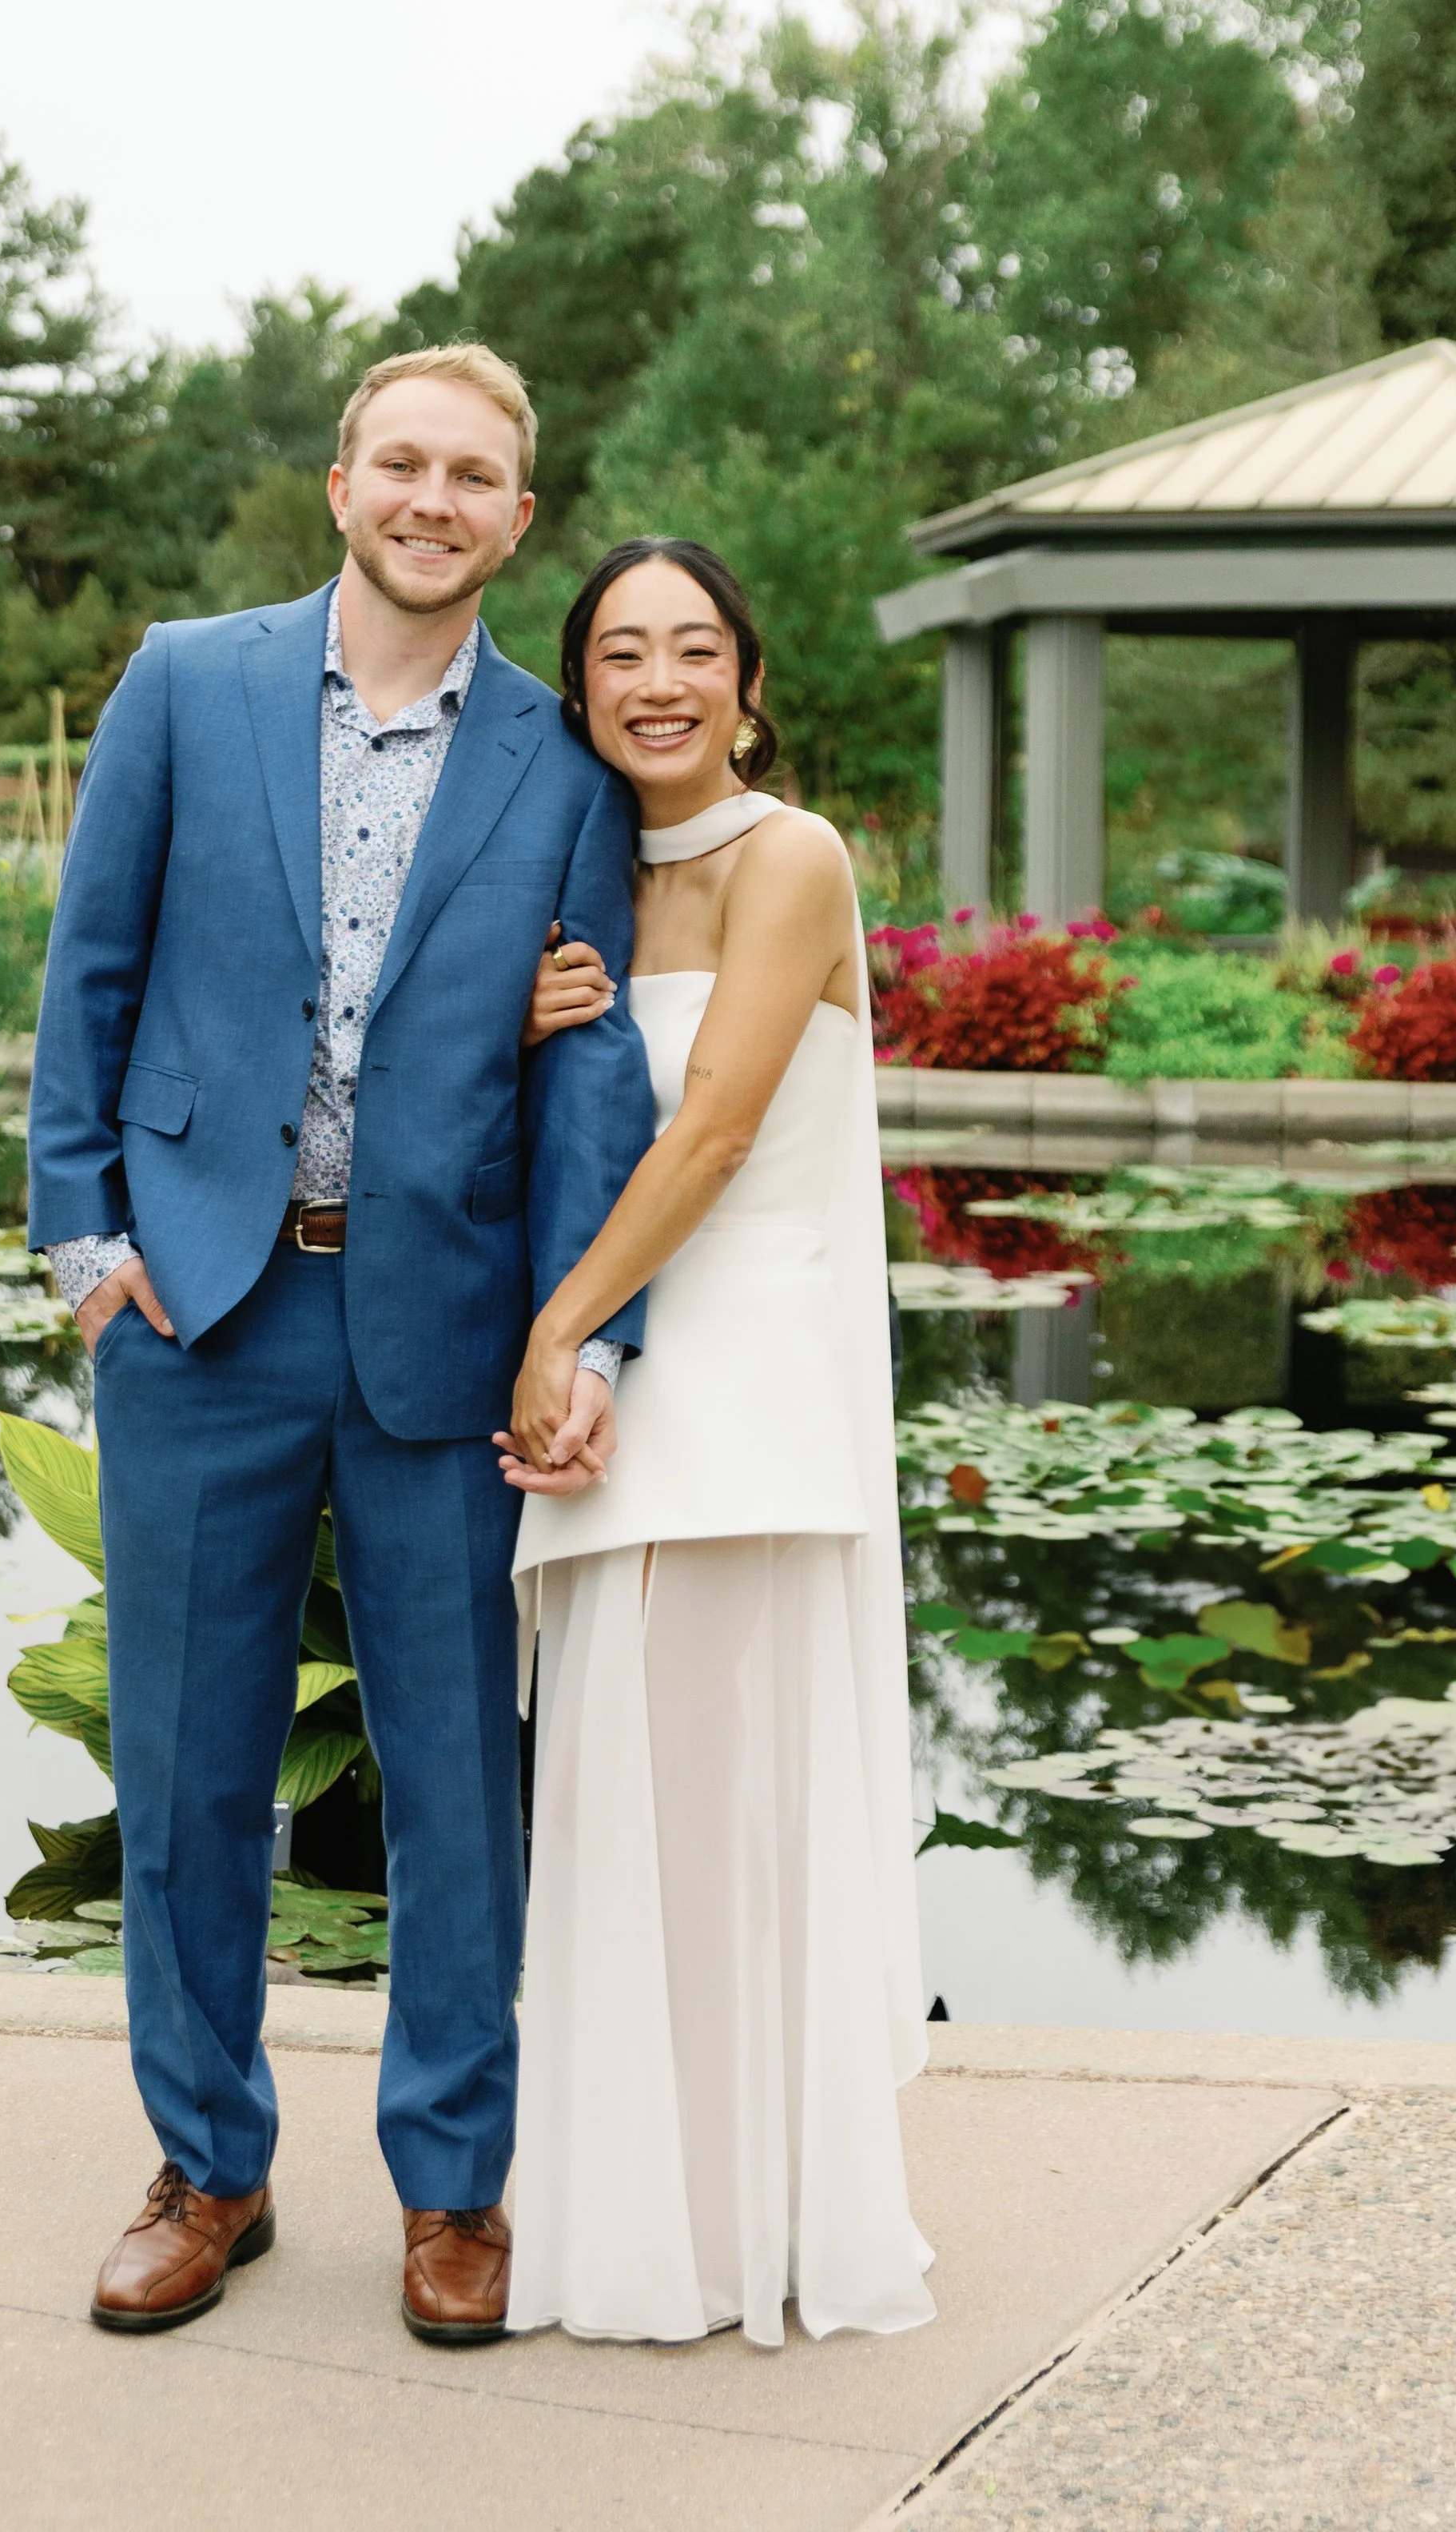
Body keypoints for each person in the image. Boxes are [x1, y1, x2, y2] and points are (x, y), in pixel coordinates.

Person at [28, 346, 657, 2344]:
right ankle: (208, 2164)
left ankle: (452, 2189)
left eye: (474, 475)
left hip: (446, 1339)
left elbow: (582, 1088)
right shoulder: (184, 684)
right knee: (191, 1770)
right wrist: (82, 1244)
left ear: (516, 521)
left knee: (458, 1780)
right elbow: (90, 973)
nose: (432, 496)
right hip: (197, 1312)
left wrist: (587, 1337)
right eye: (403, 461)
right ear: (338, 484)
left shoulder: (565, 770)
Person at [497, 537, 936, 2349]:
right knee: (623, 1810)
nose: (656, 681)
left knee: (721, 1822)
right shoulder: (580, 880)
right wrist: (523, 1034)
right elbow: (571, 1129)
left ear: (746, 681)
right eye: (618, 651)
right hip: (624, 1370)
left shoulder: (791, 857)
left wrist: (556, 1327)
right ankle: (640, 2221)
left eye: (692, 649)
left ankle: (746, 2223)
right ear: (580, 684)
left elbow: (713, 1141)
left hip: (740, 1384)